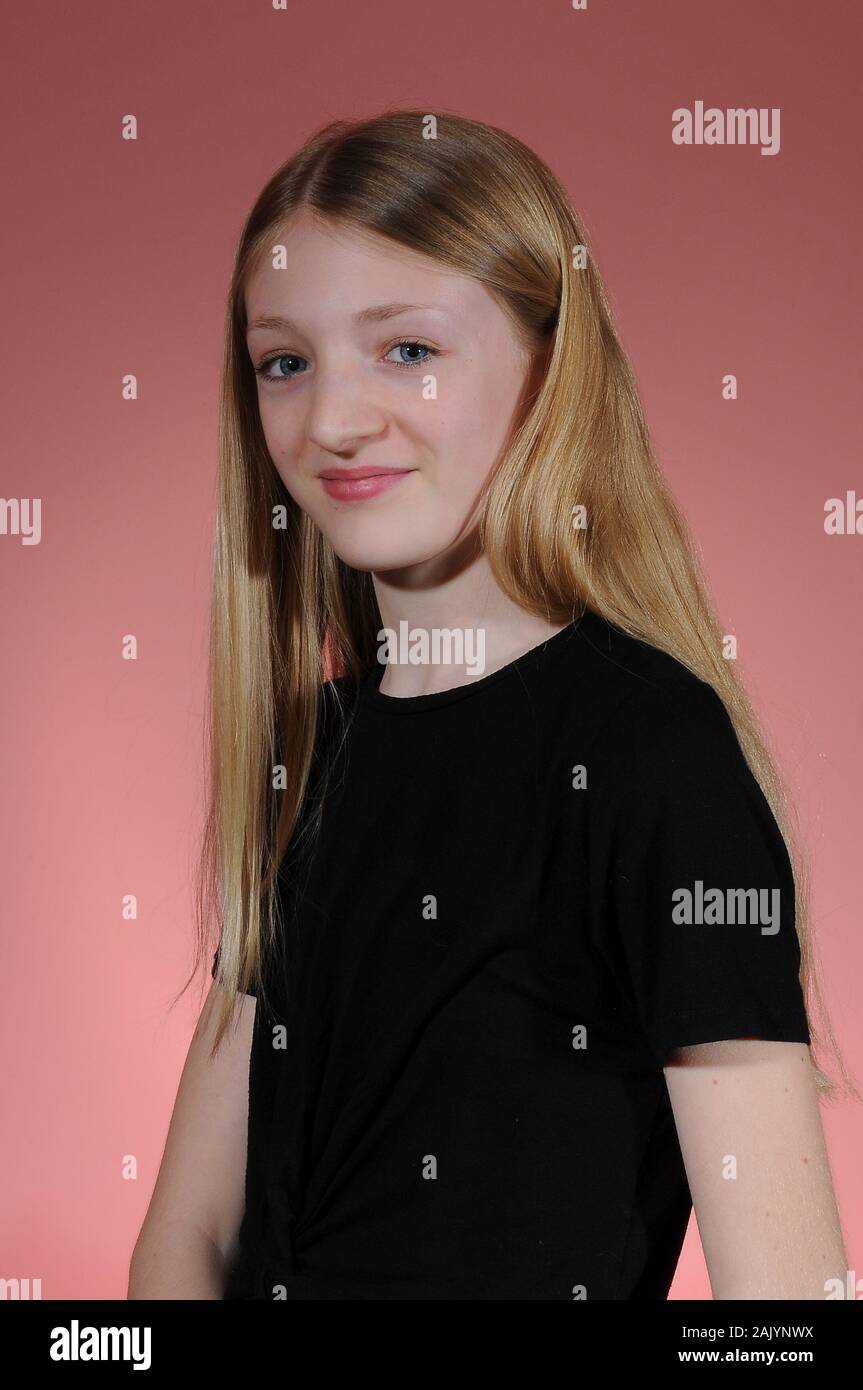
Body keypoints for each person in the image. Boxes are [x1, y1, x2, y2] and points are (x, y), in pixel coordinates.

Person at [128, 108, 851, 1301]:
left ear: (547, 363)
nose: (333, 420)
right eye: (284, 361)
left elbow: (782, 1306)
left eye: (406, 348)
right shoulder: (309, 760)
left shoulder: (654, 760)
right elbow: (189, 1240)